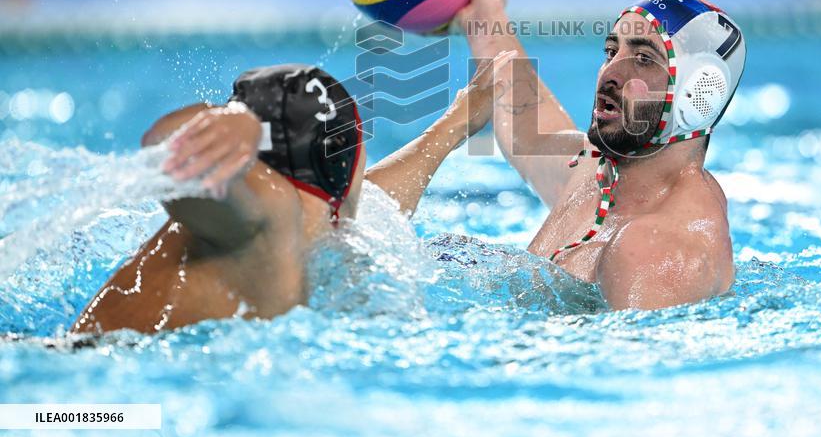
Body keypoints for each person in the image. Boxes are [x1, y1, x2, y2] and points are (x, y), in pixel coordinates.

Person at [71, 55, 513, 335]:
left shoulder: (313, 222)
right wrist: (220, 121)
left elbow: (381, 201)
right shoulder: (268, 215)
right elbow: (163, 148)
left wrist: (454, 126)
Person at [455, 0, 746, 310]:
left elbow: (622, 367)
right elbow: (528, 123)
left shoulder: (655, 251)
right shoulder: (602, 176)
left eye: (643, 58)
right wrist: (483, 15)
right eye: (611, 50)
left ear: (697, 93)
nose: (610, 72)